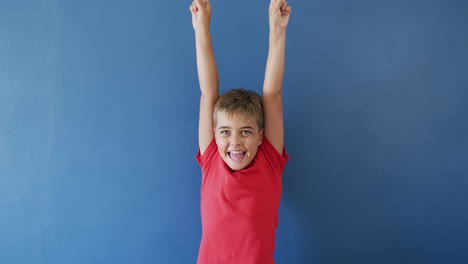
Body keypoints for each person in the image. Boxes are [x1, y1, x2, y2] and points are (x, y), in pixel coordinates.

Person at [189, 0, 292, 263]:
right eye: (225, 132)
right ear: (214, 133)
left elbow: (272, 93)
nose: (234, 141)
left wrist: (277, 31)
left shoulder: (269, 161)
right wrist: (201, 28)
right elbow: (208, 93)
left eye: (245, 131)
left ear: (260, 136)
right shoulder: (212, 159)